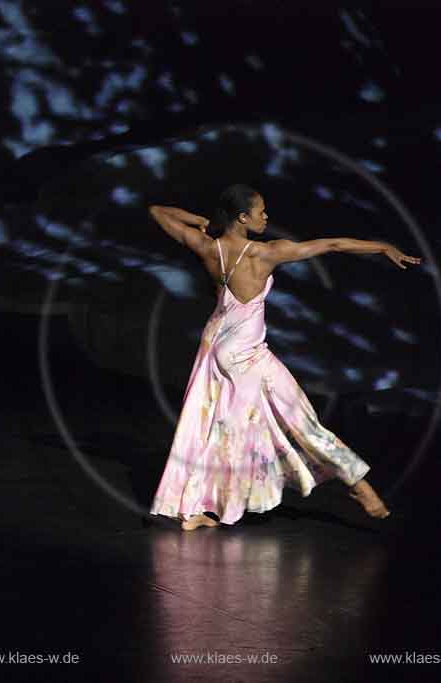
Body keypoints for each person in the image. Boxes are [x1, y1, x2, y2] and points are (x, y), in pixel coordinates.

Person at [147, 184, 422, 531]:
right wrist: (382, 246)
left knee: (224, 431)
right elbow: (332, 245)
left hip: (216, 345)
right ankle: (362, 488)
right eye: (260, 212)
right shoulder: (264, 253)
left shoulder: (206, 246)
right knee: (302, 422)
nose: (266, 217)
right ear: (243, 217)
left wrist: (201, 221)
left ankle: (205, 508)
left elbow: (157, 211)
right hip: (247, 355)